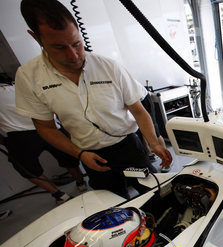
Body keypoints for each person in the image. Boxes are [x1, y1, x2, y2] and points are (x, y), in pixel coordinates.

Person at [15, 0, 172, 199]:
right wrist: (79, 155)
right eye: (59, 47)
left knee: (155, 194)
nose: (73, 55)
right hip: (88, 154)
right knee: (111, 204)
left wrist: (154, 142)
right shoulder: (29, 76)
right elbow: (45, 127)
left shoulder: (107, 66)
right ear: (36, 38)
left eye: (76, 44)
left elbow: (138, 110)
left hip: (128, 147)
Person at [1, 76, 86, 205]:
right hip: (49, 126)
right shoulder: (25, 85)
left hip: (20, 136)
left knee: (27, 169)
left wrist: (6, 142)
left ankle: (59, 195)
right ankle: (81, 183)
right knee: (68, 155)